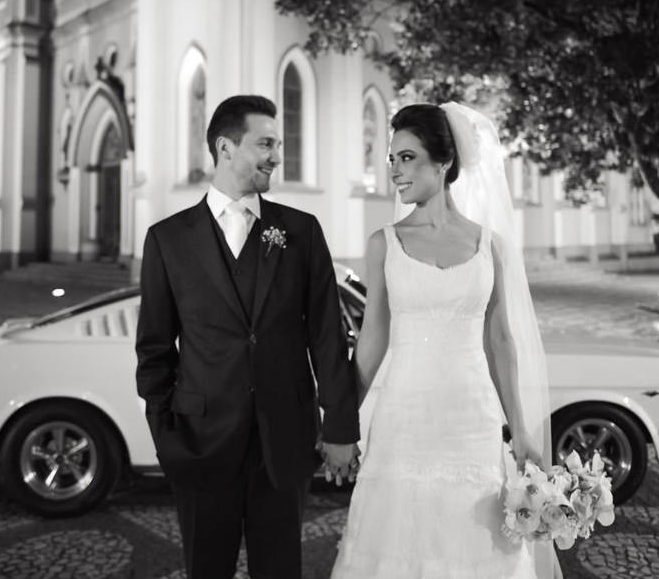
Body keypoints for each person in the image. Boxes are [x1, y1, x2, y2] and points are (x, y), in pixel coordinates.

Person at [330, 102, 561, 579]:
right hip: (402, 421)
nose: (394, 170)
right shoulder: (383, 244)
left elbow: (500, 341)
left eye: (407, 157)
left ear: (444, 162)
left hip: (472, 424)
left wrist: (520, 429)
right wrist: (341, 425)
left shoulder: (490, 246)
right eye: (392, 159)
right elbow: (370, 340)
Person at [136, 94, 361, 579]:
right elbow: (153, 350)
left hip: (284, 441)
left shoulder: (300, 231)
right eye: (265, 144)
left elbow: (326, 334)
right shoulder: (167, 239)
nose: (277, 156)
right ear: (225, 147)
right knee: (206, 570)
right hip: (200, 442)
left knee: (280, 570)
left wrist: (340, 427)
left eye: (277, 144)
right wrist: (166, 436)